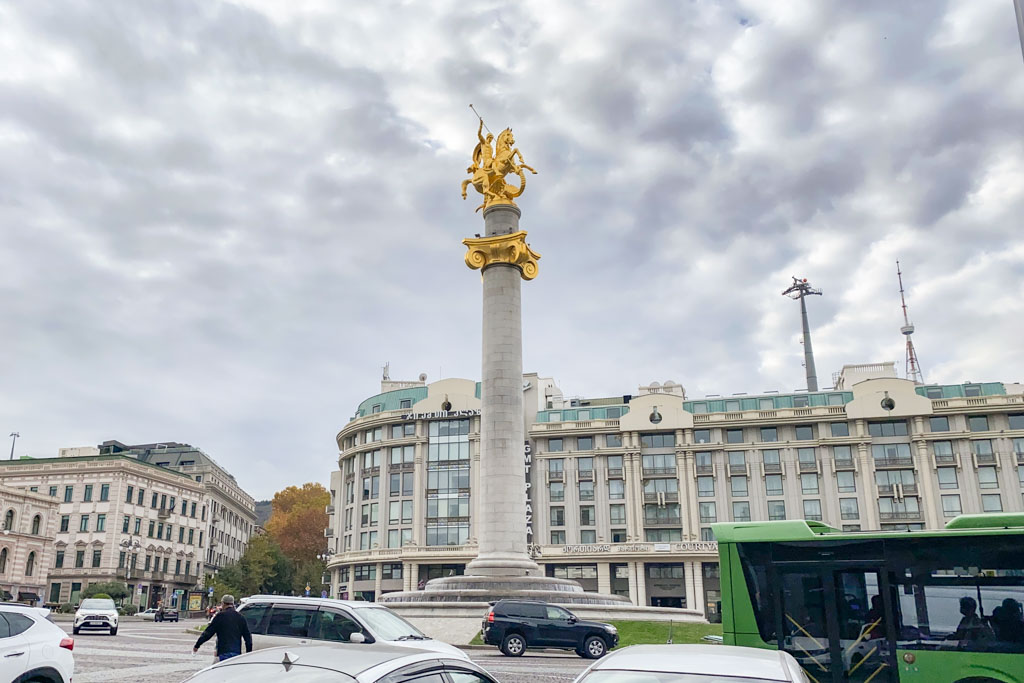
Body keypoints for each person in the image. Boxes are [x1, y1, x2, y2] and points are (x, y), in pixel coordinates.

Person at [192, 595, 252, 662]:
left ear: (223, 604)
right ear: (232, 604)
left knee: (217, 670)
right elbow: (247, 637)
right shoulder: (240, 617)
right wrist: (248, 653)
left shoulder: (220, 616)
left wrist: (197, 645)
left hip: (223, 653)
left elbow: (208, 633)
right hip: (236, 653)